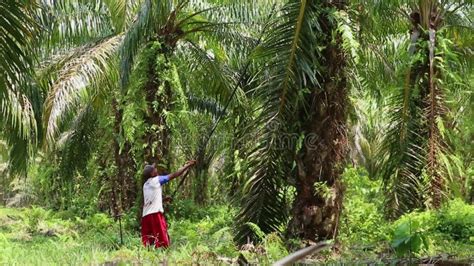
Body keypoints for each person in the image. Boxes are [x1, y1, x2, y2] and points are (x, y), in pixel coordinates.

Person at [141, 160, 196, 248]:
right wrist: (187, 166)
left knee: (149, 242)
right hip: (155, 214)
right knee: (162, 241)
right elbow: (174, 175)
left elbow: (150, 200)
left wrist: (163, 199)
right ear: (151, 174)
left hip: (146, 216)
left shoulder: (145, 185)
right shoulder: (156, 180)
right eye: (154, 169)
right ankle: (163, 258)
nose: (156, 169)